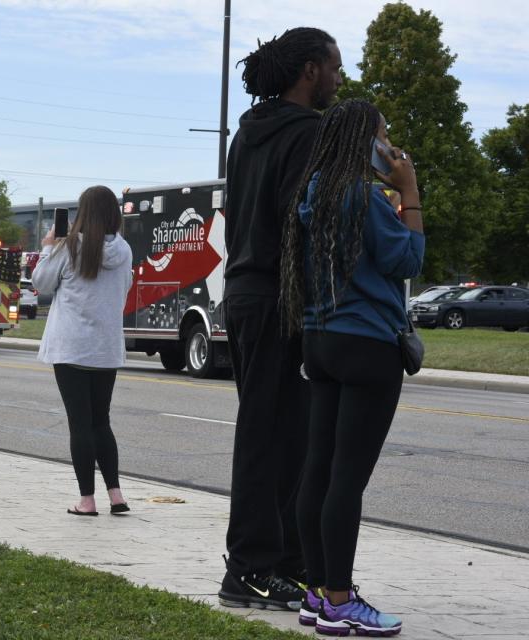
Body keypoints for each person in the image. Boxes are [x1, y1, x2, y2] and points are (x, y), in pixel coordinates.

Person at [281, 99, 421, 636]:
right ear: (369, 142)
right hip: (368, 345)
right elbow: (406, 262)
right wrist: (409, 193)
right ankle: (340, 599)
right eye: (385, 137)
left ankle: (318, 593)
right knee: (347, 479)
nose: (391, 148)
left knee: (318, 470)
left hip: (321, 342)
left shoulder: (315, 193)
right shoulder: (367, 197)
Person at [219, 27, 343, 610]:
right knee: (271, 436)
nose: (340, 79)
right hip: (279, 296)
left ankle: (288, 563)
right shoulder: (311, 133)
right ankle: (248, 568)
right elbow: (306, 222)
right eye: (335, 67)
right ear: (310, 70)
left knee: (287, 434)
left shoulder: (246, 136)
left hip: (244, 291)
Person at [32, 186, 133, 516]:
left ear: (83, 213)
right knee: (101, 421)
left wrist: (48, 247)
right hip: (105, 349)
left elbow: (41, 283)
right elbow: (125, 287)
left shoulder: (69, 246)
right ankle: (116, 495)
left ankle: (86, 500)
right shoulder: (125, 250)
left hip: (71, 347)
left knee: (80, 424)